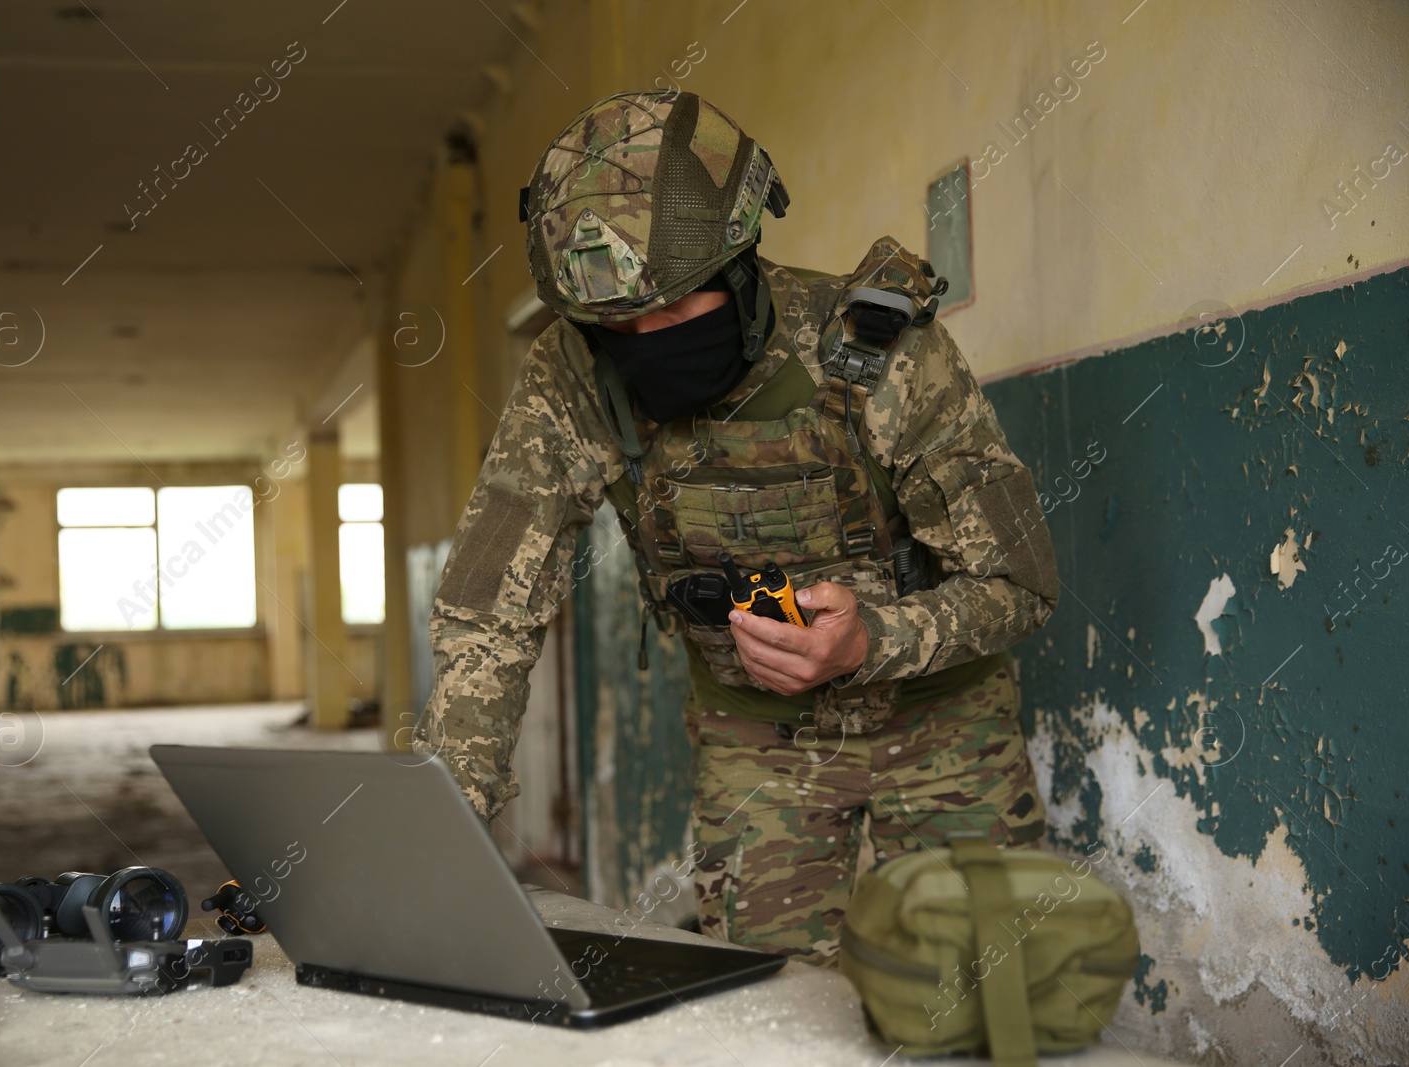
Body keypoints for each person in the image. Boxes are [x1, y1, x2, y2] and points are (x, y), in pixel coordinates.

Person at [415, 90, 1059, 967]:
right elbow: (491, 610)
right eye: (622, 325)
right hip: (756, 739)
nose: (651, 338)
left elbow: (1019, 583)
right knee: (765, 1014)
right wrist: (443, 819)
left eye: (680, 307)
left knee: (992, 998)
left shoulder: (879, 350)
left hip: (942, 720)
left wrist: (873, 639)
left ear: (741, 265)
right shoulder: (573, 378)